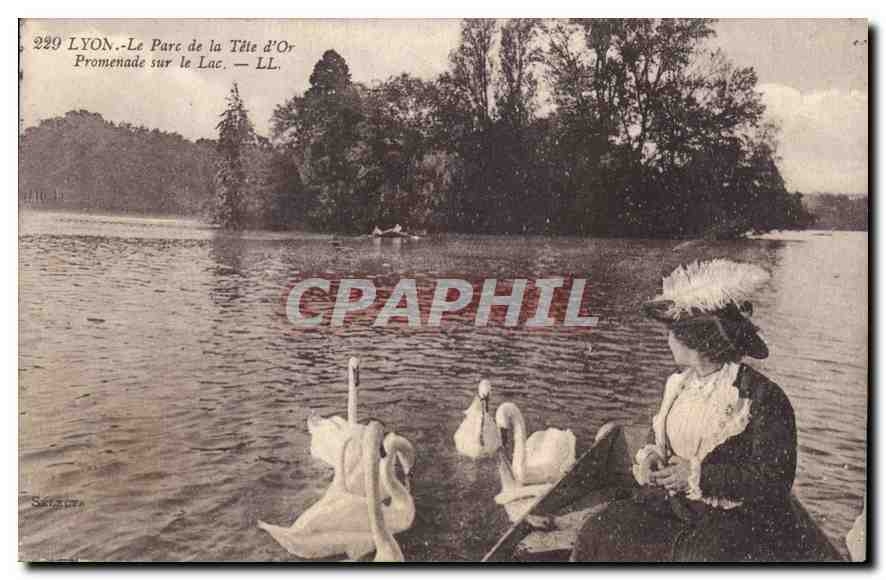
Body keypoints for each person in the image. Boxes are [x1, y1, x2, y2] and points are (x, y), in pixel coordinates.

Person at [571, 259, 800, 562]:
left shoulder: (761, 397)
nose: (667, 339)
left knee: (696, 557)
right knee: (598, 529)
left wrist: (698, 476)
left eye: (671, 333)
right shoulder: (679, 385)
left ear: (694, 341)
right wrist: (652, 455)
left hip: (734, 518)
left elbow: (774, 481)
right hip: (675, 506)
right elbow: (659, 434)